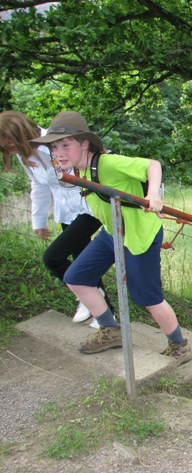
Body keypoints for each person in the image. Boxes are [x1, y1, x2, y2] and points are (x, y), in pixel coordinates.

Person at [29, 111, 192, 365]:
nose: (58, 152)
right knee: (76, 277)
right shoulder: (79, 172)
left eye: (65, 145)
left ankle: (179, 345)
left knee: (146, 297)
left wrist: (153, 196)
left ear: (84, 144)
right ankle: (111, 331)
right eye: (54, 146)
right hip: (112, 232)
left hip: (139, 235)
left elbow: (152, 165)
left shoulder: (107, 163)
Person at [0, 110, 112, 324]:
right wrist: (38, 221)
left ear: (21, 132)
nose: (9, 147)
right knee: (82, 261)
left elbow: (90, 163)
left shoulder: (56, 142)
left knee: (53, 258)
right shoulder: (25, 155)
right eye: (4, 146)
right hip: (67, 209)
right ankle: (104, 314)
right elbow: (39, 185)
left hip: (88, 205)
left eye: (10, 141)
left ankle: (90, 298)